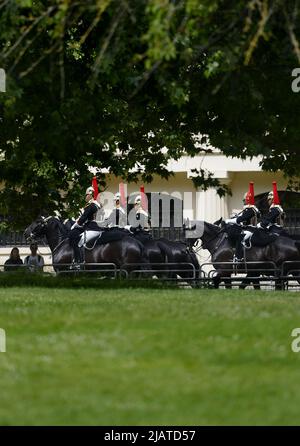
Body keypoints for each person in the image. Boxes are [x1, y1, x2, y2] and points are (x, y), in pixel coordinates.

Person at [225, 182, 260, 262]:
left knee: (240, 238)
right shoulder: (250, 209)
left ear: (247, 200)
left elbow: (239, 220)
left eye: (244, 200)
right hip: (248, 228)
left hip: (250, 230)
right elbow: (242, 219)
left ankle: (239, 258)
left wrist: (229, 220)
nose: (243, 202)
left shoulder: (251, 210)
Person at [69, 186, 102, 266]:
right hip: (98, 228)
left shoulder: (90, 206)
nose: (85, 197)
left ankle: (79, 262)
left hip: (92, 229)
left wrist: (75, 225)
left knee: (79, 242)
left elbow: (83, 218)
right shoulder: (98, 206)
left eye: (86, 195)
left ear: (90, 195)